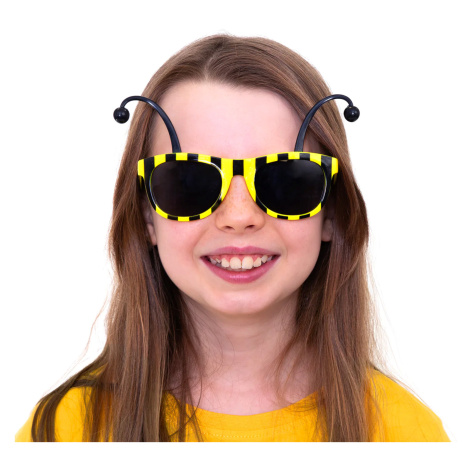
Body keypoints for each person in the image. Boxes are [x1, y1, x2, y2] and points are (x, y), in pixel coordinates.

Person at [15, 34, 450, 442]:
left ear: (332, 211)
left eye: (287, 180)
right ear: (146, 216)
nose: (239, 217)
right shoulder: (63, 433)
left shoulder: (407, 435)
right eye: (187, 182)